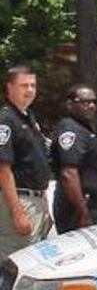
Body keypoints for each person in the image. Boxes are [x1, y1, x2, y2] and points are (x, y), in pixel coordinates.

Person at [0, 65, 52, 256]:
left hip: (36, 200)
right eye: (24, 85)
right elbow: (3, 169)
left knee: (34, 259)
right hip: (19, 201)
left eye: (33, 85)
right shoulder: (6, 120)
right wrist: (17, 211)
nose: (29, 90)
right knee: (16, 259)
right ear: (10, 88)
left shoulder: (27, 117)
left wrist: (44, 208)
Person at [50, 84, 97, 233]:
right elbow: (68, 174)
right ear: (70, 104)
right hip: (77, 212)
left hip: (92, 207)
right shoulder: (70, 130)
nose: (91, 106)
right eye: (85, 102)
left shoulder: (85, 129)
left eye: (94, 102)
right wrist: (83, 212)